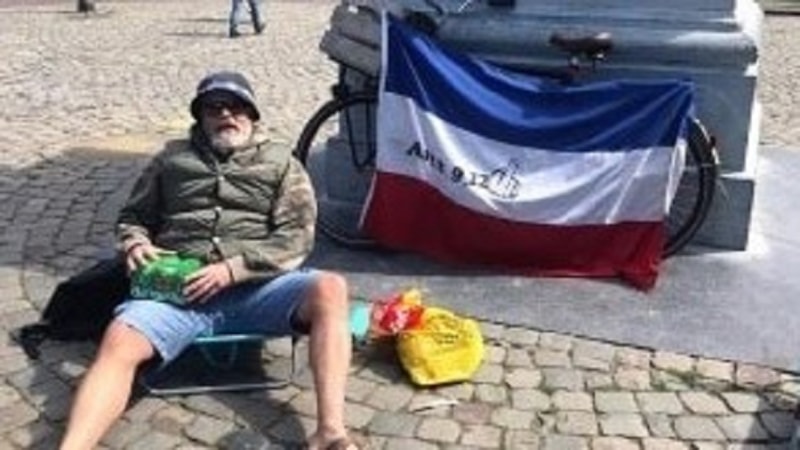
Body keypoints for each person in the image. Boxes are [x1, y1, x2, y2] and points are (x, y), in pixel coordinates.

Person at [59, 71, 360, 450]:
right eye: (214, 108)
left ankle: (330, 432)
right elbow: (133, 217)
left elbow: (298, 236)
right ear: (201, 117)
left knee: (330, 288)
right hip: (178, 293)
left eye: (237, 107)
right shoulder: (170, 160)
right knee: (119, 339)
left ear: (252, 115)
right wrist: (135, 243)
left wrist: (234, 269)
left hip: (258, 289)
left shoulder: (282, 164)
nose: (226, 115)